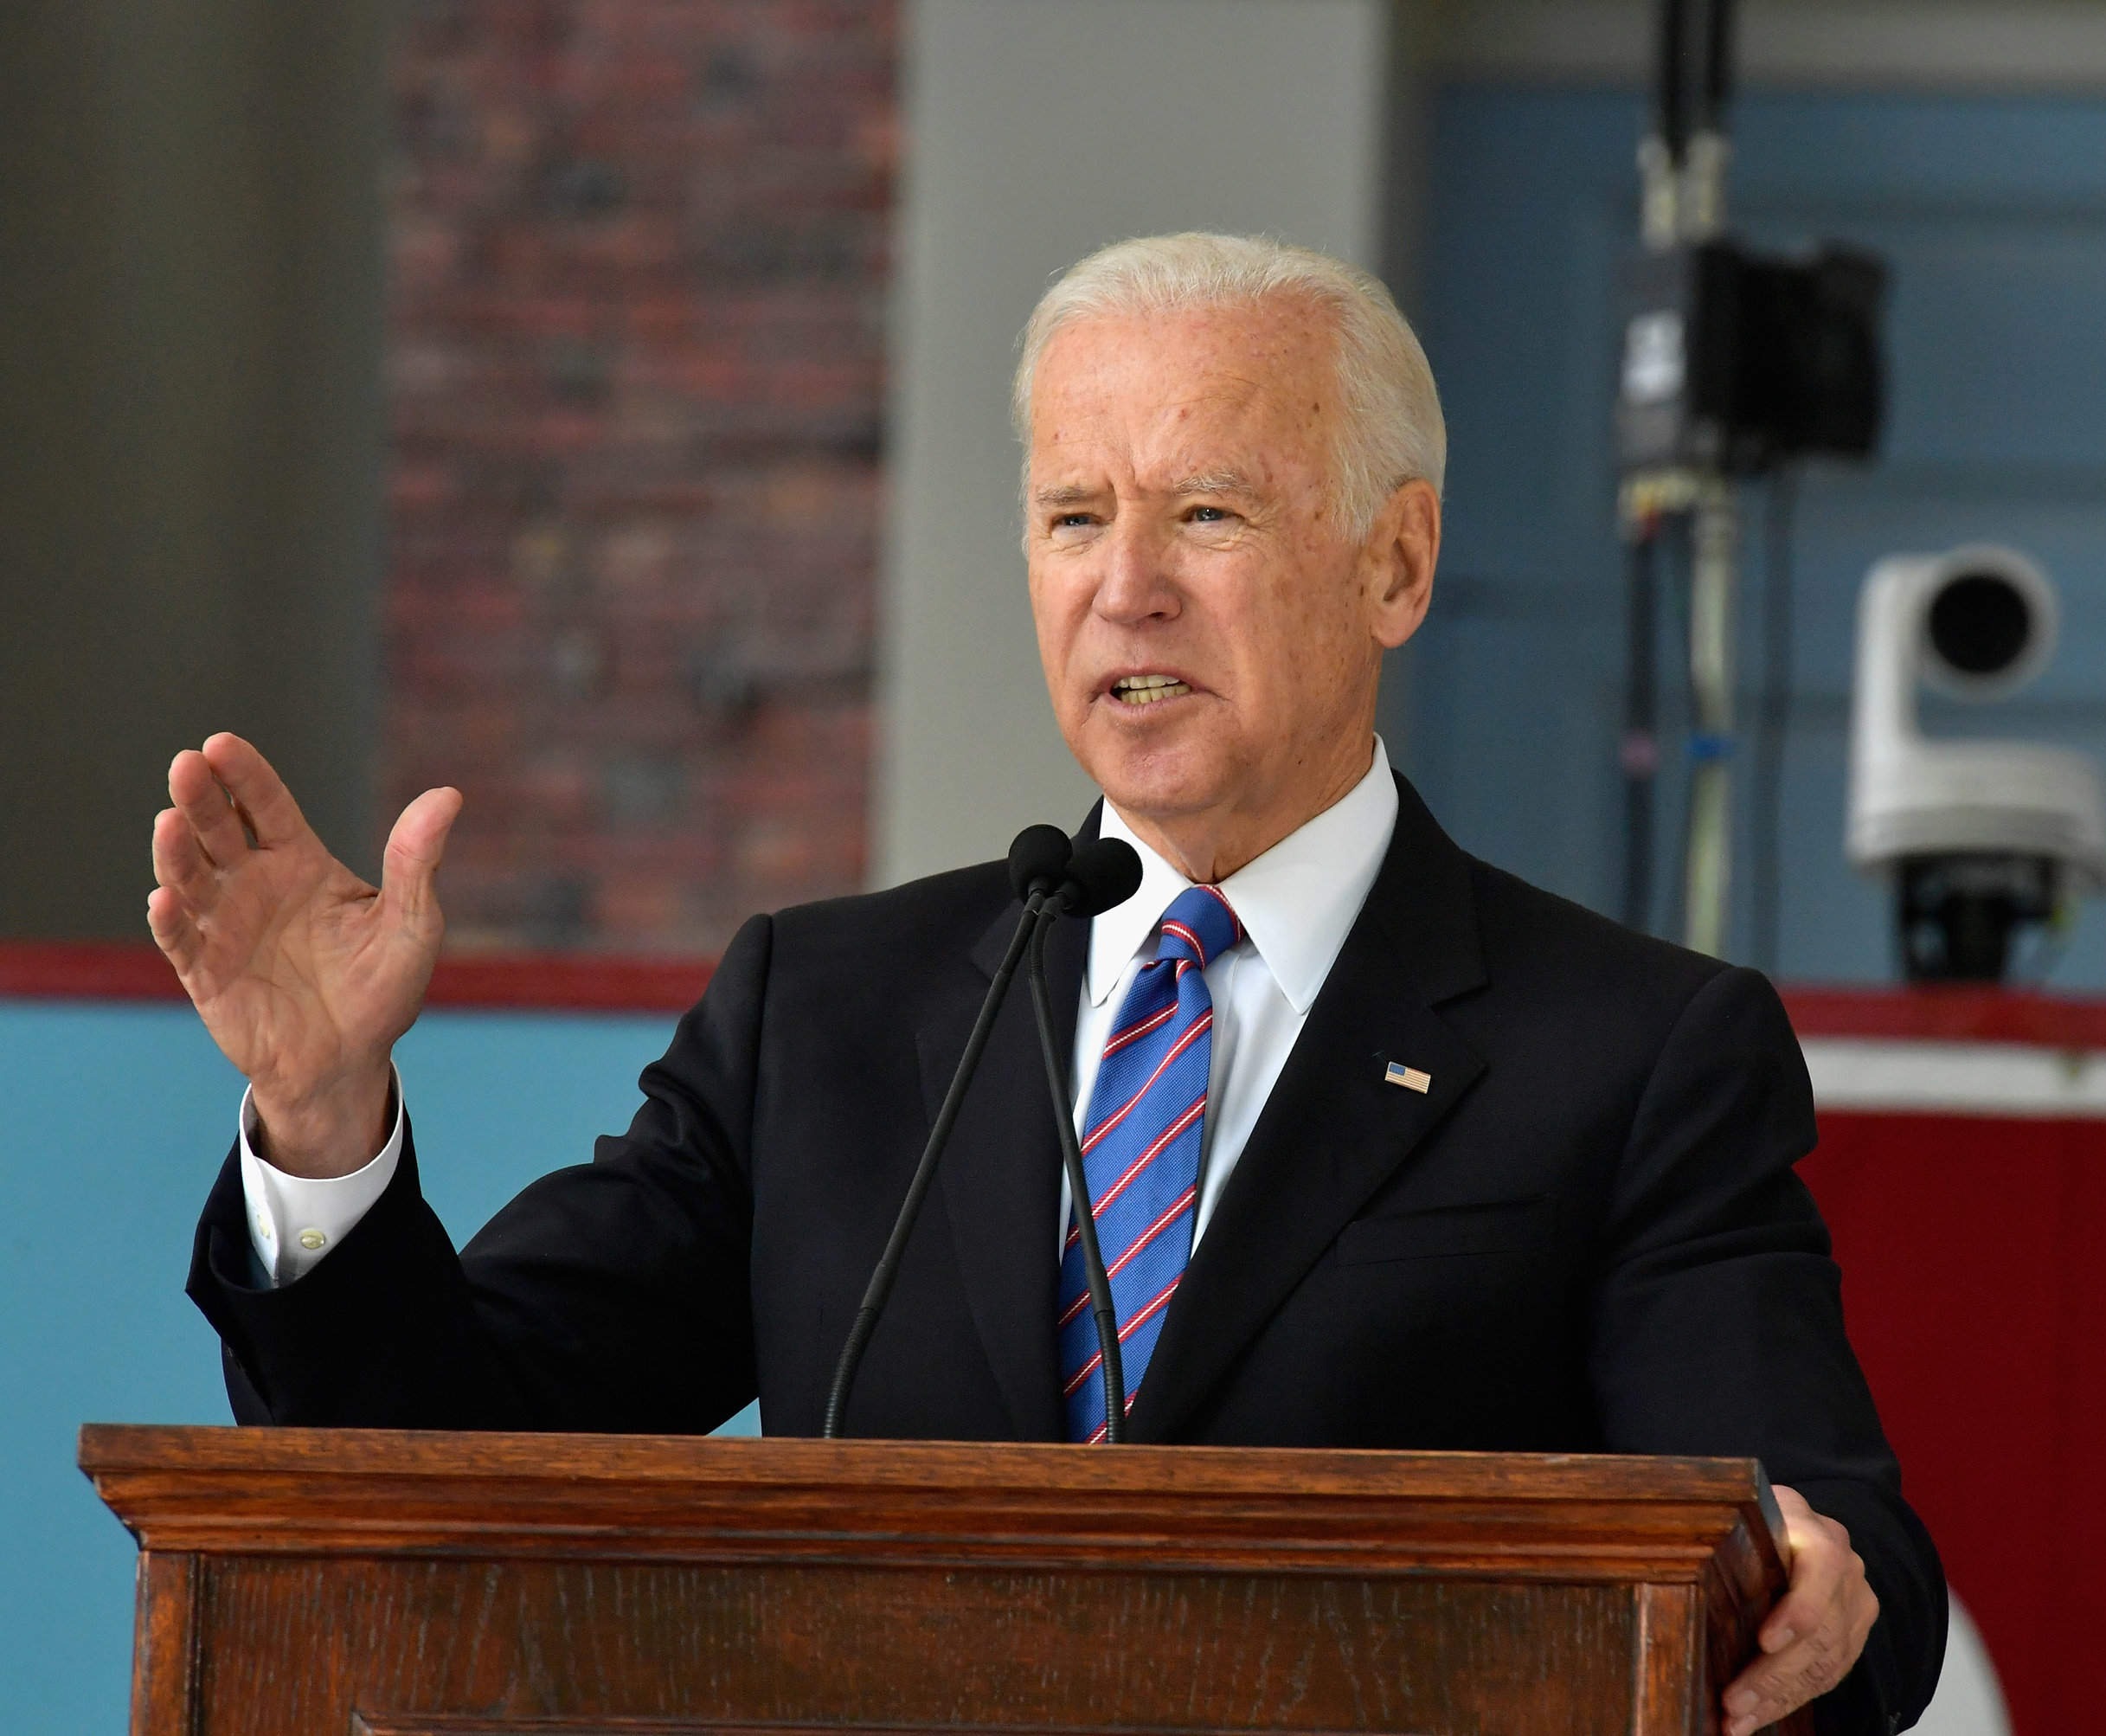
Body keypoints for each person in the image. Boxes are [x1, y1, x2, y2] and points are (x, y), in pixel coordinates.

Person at [151, 233, 1944, 1735]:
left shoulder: (1627, 1051)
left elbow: (1827, 1560)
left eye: (1209, 513)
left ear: (1391, 562)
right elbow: (440, 1447)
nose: (1127, 590)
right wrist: (319, 1115)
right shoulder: (829, 1012)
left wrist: (1807, 1591)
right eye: (1073, 516)